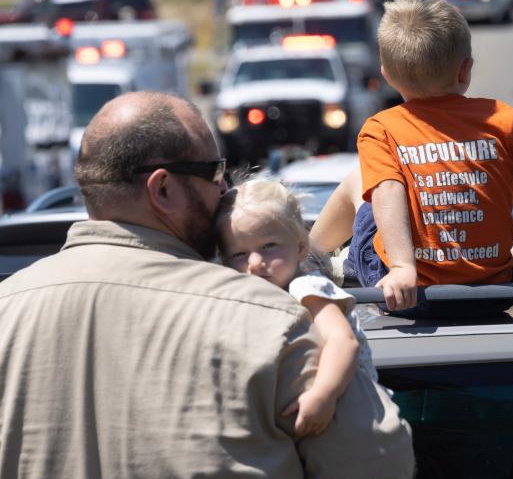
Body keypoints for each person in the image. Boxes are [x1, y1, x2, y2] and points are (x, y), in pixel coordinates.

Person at [0, 92, 414, 478]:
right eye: (215, 173)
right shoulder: (271, 318)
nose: (224, 188)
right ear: (162, 188)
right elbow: (379, 462)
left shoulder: (6, 310)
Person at [324, 0, 513, 314]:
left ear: (387, 75)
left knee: (362, 183)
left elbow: (389, 193)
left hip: (411, 297)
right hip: (492, 293)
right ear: (466, 71)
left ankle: (310, 254)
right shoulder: (502, 118)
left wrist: (402, 268)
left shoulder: (380, 128)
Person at [217, 179, 378, 437]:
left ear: (301, 247)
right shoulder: (260, 295)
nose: (256, 263)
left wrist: (322, 395)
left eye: (268, 247)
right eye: (240, 254)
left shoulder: (307, 288)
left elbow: (343, 341)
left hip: (352, 420)